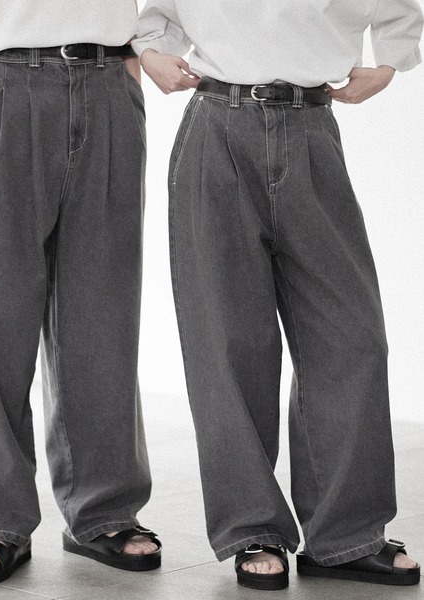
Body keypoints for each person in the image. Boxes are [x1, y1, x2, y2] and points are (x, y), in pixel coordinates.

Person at [133, 0, 422, 591]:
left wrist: (391, 61)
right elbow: (158, 15)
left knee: (351, 337)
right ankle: (252, 529)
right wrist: (151, 51)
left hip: (312, 124)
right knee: (228, 339)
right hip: (217, 123)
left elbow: (396, 9)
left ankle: (346, 534)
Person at [0, 0, 161, 586]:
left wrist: (132, 62)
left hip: (108, 82)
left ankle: (104, 511)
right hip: (1, 83)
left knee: (103, 312)